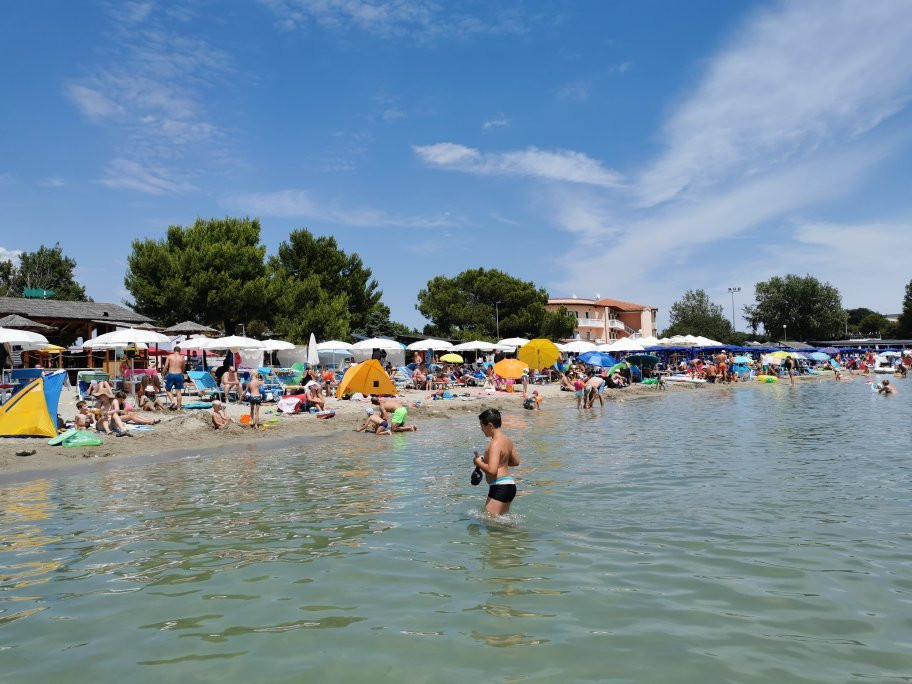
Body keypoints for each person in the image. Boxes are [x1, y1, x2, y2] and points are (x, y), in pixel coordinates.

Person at [473, 408, 519, 516]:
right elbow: (515, 462)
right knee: (501, 523)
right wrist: (490, 461)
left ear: (490, 426)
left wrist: (477, 462)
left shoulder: (494, 443)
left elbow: (492, 471)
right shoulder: (507, 440)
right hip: (510, 485)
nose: (481, 429)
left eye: (482, 426)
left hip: (499, 486)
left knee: (490, 523)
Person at [162, 345, 186, 410]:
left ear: (174, 351)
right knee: (178, 391)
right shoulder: (182, 358)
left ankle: (172, 401)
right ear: (179, 351)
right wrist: (181, 373)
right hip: (179, 374)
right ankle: (178, 407)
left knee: (168, 390)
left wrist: (163, 374)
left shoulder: (169, 356)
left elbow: (166, 366)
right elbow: (183, 368)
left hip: (171, 374)